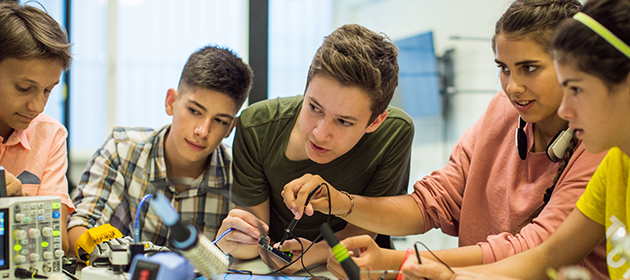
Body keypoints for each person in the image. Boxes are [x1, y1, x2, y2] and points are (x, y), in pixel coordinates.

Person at [293, 1, 610, 279]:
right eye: (504, 69)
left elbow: (538, 252)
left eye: (529, 68)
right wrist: (341, 202)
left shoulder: (600, 144)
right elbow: (435, 201)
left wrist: (400, 262)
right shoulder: (501, 110)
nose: (512, 87)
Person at [402, 0, 630, 279]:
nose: (567, 110)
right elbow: (546, 256)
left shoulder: (601, 154)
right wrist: (452, 277)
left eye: (578, 89)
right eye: (504, 68)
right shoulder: (617, 166)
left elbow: (538, 251)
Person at [215, 24, 414, 273]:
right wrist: (237, 239)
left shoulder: (394, 133)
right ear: (306, 89)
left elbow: (367, 229)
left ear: (375, 122)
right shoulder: (257, 127)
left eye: (343, 121)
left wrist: (318, 252)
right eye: (314, 108)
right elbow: (254, 236)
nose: (320, 133)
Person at [67, 46, 253, 254]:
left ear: (230, 128)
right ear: (171, 102)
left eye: (219, 120)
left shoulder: (238, 175)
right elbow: (80, 229)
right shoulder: (122, 150)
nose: (202, 131)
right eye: (194, 111)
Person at [0, 1, 74, 254]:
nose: (37, 106)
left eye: (47, 90)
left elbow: (59, 245)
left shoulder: (50, 135)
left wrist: (16, 207)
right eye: (24, 88)